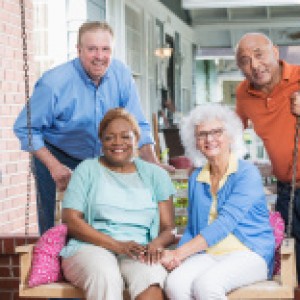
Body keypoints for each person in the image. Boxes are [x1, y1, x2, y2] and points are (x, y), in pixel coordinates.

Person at [14, 21, 172, 234]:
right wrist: (54, 166)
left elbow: (138, 124)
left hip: (98, 157)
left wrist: (152, 163)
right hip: (56, 155)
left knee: (99, 221)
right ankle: (51, 265)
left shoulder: (121, 74)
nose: (99, 56)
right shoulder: (54, 83)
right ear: (79, 50)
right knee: (54, 227)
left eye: (105, 49)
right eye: (92, 49)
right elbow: (27, 128)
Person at [60, 108, 175, 300]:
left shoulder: (156, 175)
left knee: (151, 277)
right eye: (109, 137)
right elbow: (71, 220)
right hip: (91, 247)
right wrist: (117, 246)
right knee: (104, 274)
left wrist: (156, 244)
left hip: (139, 250)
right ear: (101, 141)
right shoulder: (87, 169)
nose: (117, 143)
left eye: (125, 136)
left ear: (136, 139)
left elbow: (168, 228)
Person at [162, 104, 275, 300]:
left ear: (230, 136)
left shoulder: (246, 174)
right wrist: (180, 257)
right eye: (202, 134)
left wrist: (178, 253)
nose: (209, 139)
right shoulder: (197, 177)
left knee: (207, 285)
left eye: (217, 132)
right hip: (209, 254)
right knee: (175, 284)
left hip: (249, 252)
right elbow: (193, 228)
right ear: (195, 142)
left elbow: (225, 223)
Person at [235, 32, 300, 281]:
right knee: (292, 270)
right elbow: (231, 131)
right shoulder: (244, 94)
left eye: (259, 54)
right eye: (245, 60)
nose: (254, 65)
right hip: (288, 192)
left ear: (274, 51)